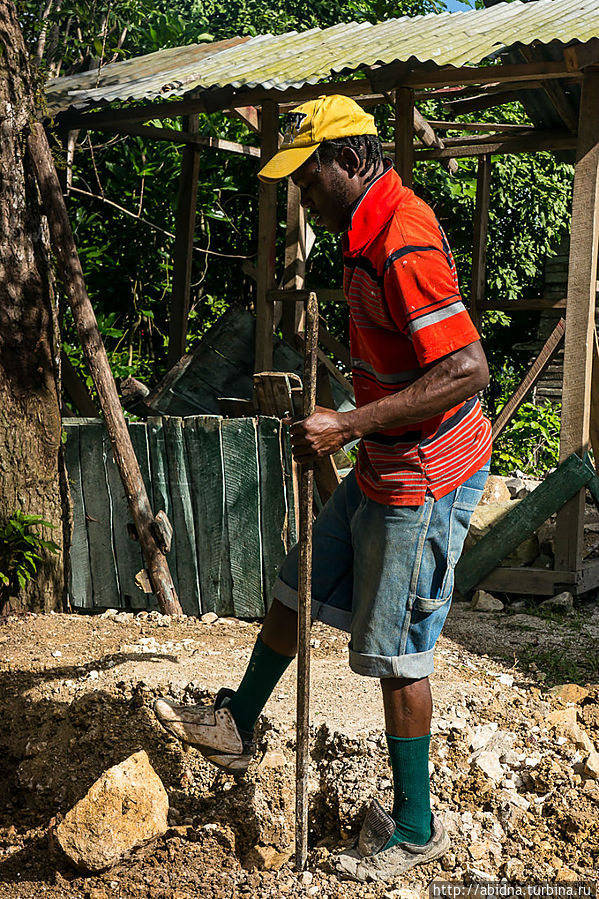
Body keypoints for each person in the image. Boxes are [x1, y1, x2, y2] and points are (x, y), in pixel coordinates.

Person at [154, 94, 492, 883]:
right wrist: (353, 425)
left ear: (349, 161)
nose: (302, 197)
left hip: (426, 469)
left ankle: (415, 828)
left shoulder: (401, 238)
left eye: (307, 180)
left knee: (397, 654)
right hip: (383, 453)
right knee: (295, 582)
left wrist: (347, 423)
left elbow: (466, 369)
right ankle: (238, 723)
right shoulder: (359, 231)